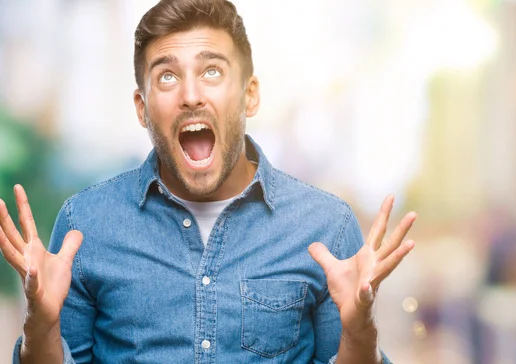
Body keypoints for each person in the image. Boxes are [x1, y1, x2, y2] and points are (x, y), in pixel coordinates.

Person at [0, 0, 417, 363]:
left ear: (249, 95)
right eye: (167, 76)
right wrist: (42, 324)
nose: (191, 95)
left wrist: (360, 330)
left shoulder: (326, 228)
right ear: (142, 108)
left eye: (212, 71)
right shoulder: (85, 226)